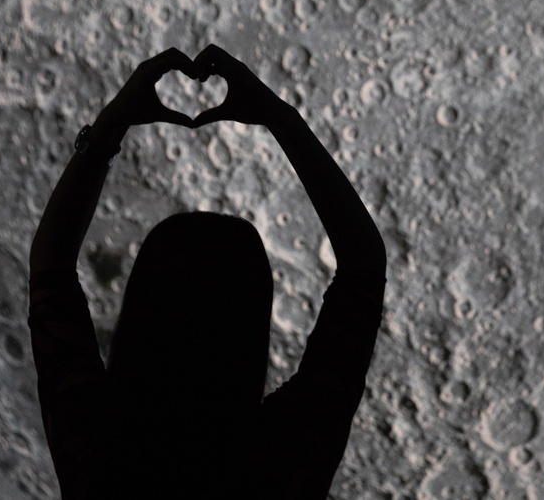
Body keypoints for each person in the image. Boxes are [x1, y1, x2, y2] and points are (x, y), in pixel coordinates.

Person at [27, 44, 388, 498]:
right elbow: (365, 266)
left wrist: (109, 127)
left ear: (141, 312)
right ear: (250, 327)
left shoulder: (100, 452)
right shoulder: (282, 458)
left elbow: (50, 268)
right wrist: (280, 119)